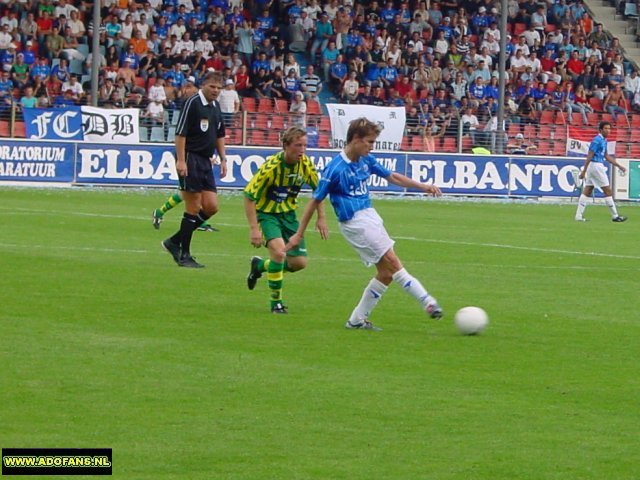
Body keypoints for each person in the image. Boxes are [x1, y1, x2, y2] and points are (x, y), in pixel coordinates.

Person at [286, 117, 443, 331]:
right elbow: (315, 200)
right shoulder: (335, 169)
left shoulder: (365, 160)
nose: (372, 146)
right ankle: (428, 302)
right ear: (356, 139)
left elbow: (393, 177)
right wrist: (299, 233)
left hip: (370, 215)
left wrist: (423, 186)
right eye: (369, 142)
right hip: (354, 222)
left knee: (386, 274)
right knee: (393, 261)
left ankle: (356, 320)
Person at [244, 126, 328, 314]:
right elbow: (249, 196)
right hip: (267, 215)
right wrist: (254, 229)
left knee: (298, 263)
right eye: (298, 145)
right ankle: (276, 304)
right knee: (280, 253)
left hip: (289, 216)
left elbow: (319, 191)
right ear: (286, 146)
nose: (303, 149)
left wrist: (321, 217)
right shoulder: (271, 167)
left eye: (305, 145)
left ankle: (259, 266)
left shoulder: (305, 164)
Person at [161, 72, 227, 268]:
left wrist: (223, 158)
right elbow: (180, 133)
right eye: (212, 86)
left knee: (212, 206)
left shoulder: (215, 107)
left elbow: (220, 134)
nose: (215, 91)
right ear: (203, 85)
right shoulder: (193, 102)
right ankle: (184, 255)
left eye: (218, 88)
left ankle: (174, 242)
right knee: (193, 207)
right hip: (190, 157)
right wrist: (181, 160)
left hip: (206, 161)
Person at [575, 121, 627, 223]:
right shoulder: (597, 140)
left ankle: (578, 216)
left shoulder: (604, 140)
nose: (608, 130)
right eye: (606, 128)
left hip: (595, 166)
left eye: (609, 128)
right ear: (600, 130)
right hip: (596, 166)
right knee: (607, 190)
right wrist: (583, 171)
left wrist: (619, 166)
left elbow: (606, 156)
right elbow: (589, 155)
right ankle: (615, 216)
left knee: (588, 190)